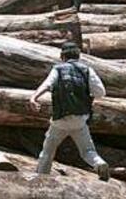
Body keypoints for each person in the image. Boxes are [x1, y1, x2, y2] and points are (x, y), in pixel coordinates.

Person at [30, 42, 110, 181]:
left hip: (60, 120)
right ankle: (99, 164)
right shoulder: (87, 70)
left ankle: (41, 178)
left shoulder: (58, 69)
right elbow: (101, 92)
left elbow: (48, 84)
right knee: (87, 151)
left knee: (48, 152)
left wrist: (34, 97)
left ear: (62, 56)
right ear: (78, 56)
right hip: (80, 120)